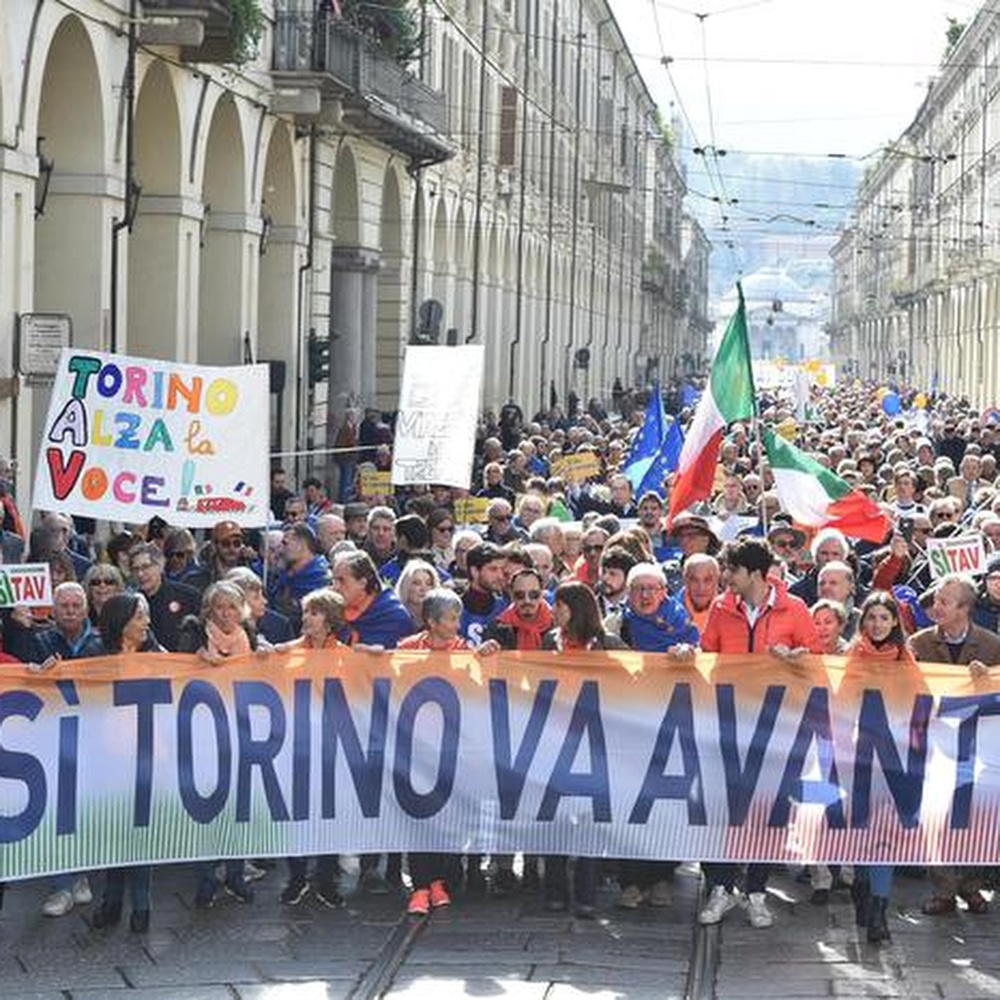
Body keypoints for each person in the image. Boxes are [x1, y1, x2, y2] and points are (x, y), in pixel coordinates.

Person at [698, 536, 819, 930]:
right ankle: (720, 886)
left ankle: (755, 890)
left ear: (752, 573)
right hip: (730, 722)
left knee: (769, 809)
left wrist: (795, 661)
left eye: (731, 570)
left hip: (777, 726)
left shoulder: (795, 609)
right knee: (723, 806)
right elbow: (708, 657)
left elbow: (816, 664)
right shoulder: (720, 608)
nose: (726, 576)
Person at [909, 573, 1000, 916]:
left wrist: (986, 682)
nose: (936, 607)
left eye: (945, 602)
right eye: (935, 600)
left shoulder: (992, 646)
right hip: (935, 745)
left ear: (965, 608)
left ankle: (972, 886)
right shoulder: (918, 644)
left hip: (978, 746)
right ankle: (944, 888)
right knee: (937, 814)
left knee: (977, 815)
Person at [537, 581, 625, 918]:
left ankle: (587, 894)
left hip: (594, 745)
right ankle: (556, 891)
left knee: (588, 821)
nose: (554, 612)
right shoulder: (549, 643)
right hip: (554, 744)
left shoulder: (607, 644)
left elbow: (637, 681)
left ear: (575, 608)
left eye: (558, 606)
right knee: (554, 819)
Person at [841, 592, 922, 944]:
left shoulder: (907, 660)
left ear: (894, 623)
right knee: (862, 831)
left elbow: (923, 706)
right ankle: (861, 885)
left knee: (883, 837)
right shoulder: (849, 658)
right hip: (857, 760)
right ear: (863, 622)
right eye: (871, 617)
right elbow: (837, 703)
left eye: (884, 618)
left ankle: (879, 912)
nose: (877, 624)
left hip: (893, 762)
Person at [177, 582, 259, 908]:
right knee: (206, 807)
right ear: (209, 610)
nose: (226, 614)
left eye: (232, 607)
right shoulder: (194, 634)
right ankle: (207, 878)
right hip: (202, 731)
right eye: (220, 607)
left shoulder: (248, 638)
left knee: (237, 807)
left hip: (238, 729)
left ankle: (236, 875)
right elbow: (176, 671)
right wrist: (193, 661)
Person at [24, 582, 102, 917]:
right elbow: (24, 681)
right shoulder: (39, 642)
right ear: (53, 611)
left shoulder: (99, 643)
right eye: (63, 605)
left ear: (85, 610)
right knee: (56, 809)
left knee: (82, 810)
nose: (69, 611)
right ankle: (60, 886)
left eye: (75, 605)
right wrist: (35, 674)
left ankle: (81, 875)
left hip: (92, 737)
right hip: (52, 737)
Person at [397, 588, 471, 914]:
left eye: (458, 617)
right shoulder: (405, 650)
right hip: (415, 747)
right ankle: (421, 885)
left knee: (447, 816)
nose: (457, 623)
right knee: (417, 817)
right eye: (452, 618)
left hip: (451, 748)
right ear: (431, 621)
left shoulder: (465, 650)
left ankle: (442, 879)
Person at [91, 593, 161, 933]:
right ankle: (112, 901)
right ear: (121, 623)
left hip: (147, 759)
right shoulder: (94, 657)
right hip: (108, 761)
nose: (146, 622)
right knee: (114, 833)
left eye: (146, 615)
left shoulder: (160, 658)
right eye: (139, 616)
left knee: (141, 834)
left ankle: (142, 906)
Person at [274, 588, 347, 908]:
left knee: (329, 814)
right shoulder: (287, 653)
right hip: (297, 745)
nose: (307, 618)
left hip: (333, 747)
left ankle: (327, 877)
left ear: (330, 621)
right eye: (306, 612)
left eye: (315, 613)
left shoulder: (346, 656)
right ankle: (297, 875)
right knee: (296, 812)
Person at [130, 543, 200, 652]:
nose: (140, 574)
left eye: (146, 567)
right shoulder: (130, 604)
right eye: (135, 569)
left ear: (160, 566)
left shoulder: (188, 596)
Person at [394, 559, 441, 624]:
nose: (423, 589)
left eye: (429, 584)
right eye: (417, 583)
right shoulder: (395, 616)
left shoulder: (440, 618)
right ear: (405, 586)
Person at [82, 564, 125, 632]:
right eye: (96, 582)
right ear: (89, 588)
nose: (102, 585)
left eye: (108, 582)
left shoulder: (126, 613)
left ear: (117, 587)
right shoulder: (81, 614)